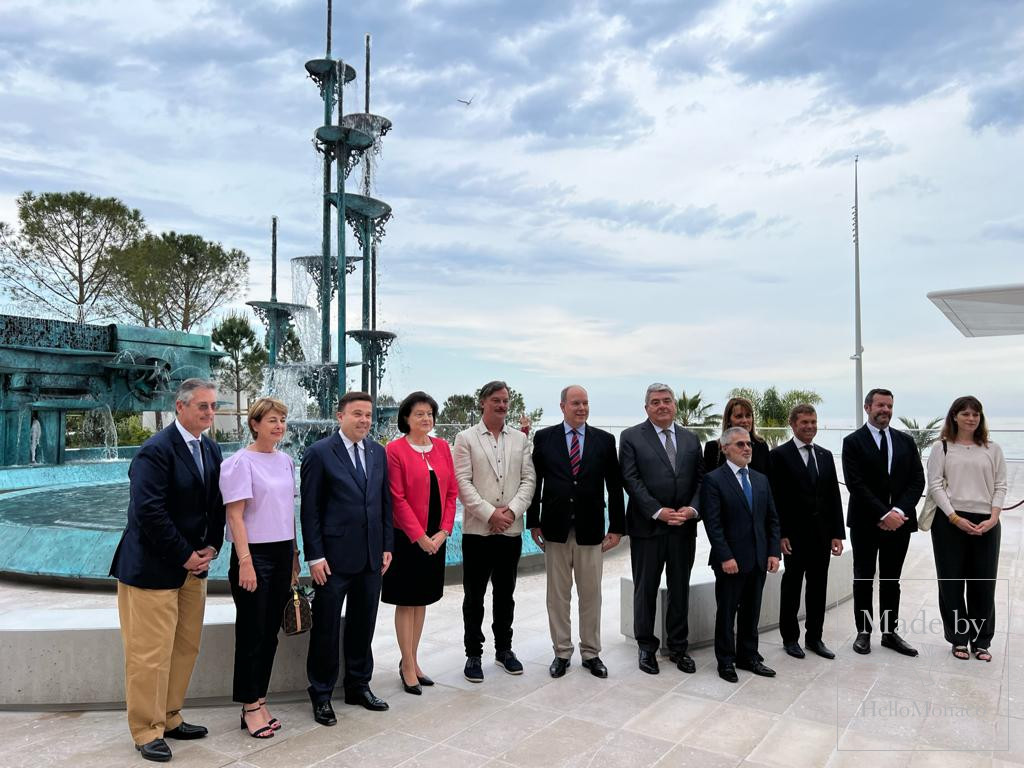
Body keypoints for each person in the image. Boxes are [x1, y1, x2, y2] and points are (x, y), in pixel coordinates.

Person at [109, 379, 225, 763]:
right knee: (149, 654)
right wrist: (184, 555)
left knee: (185, 647)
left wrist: (212, 545)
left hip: (193, 569)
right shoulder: (154, 452)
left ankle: (171, 716)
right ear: (180, 407)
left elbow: (216, 505)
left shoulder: (211, 448)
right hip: (153, 569)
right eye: (202, 407)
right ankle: (146, 730)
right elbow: (149, 512)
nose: (210, 413)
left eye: (213, 406)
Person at [300, 391, 394, 725]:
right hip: (332, 561)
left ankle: (358, 685)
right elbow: (309, 511)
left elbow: (384, 503)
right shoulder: (319, 454)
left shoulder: (378, 453)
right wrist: (315, 556)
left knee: (363, 624)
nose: (364, 420)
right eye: (357, 414)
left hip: (371, 557)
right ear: (340, 417)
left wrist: (387, 545)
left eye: (368, 415)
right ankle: (322, 693)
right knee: (325, 628)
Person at [528, 385, 625, 679]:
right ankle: (561, 652)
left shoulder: (605, 441)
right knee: (557, 596)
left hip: (590, 529)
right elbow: (535, 483)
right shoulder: (544, 438)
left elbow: (615, 486)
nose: (581, 408)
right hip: (555, 529)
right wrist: (533, 522)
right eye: (575, 403)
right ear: (562, 406)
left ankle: (591, 653)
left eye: (585, 403)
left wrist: (617, 528)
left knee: (590, 594)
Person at [219, 397, 300, 738]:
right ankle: (249, 706)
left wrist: (295, 556)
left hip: (282, 553)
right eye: (271, 420)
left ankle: (260, 699)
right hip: (254, 555)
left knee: (270, 634)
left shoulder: (286, 461)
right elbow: (234, 515)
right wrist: (246, 562)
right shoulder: (240, 462)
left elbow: (286, 512)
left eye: (282, 420)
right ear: (255, 424)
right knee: (252, 632)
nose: (278, 426)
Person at [453, 380, 536, 683]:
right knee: (474, 596)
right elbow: (463, 483)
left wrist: (511, 512)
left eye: (505, 401)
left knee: (506, 594)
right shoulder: (465, 438)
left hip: (511, 530)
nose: (502, 405)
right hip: (478, 531)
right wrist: (490, 514)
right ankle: (473, 653)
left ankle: (504, 650)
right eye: (496, 400)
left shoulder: (520, 440)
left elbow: (528, 480)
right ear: (483, 402)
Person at [620, 383, 703, 675]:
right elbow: (631, 479)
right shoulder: (630, 437)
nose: (662, 405)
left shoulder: (692, 439)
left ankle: (679, 647)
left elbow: (700, 481)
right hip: (648, 528)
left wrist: (691, 510)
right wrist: (658, 512)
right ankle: (646, 648)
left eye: (667, 400)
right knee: (646, 589)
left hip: (683, 528)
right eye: (655, 402)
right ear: (647, 408)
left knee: (680, 588)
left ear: (674, 406)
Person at [382, 391, 457, 694]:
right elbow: (396, 498)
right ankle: (407, 664)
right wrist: (419, 537)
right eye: (419, 414)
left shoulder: (441, 447)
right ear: (406, 419)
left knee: (422, 599)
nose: (426, 419)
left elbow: (451, 492)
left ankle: (413, 659)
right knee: (406, 600)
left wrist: (444, 532)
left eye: (429, 414)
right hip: (407, 538)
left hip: (435, 537)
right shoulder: (395, 450)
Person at [842, 388, 925, 657]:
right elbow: (856, 484)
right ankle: (863, 632)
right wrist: (883, 514)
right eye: (880, 405)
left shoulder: (905, 441)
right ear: (867, 408)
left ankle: (890, 633)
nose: (885, 410)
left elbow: (917, 480)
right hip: (866, 523)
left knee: (892, 580)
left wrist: (898, 511)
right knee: (863, 578)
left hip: (899, 523)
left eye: (889, 406)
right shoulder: (852, 442)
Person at [927, 395, 1007, 662]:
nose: (971, 418)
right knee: (951, 583)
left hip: (986, 522)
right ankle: (959, 639)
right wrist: (954, 518)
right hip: (950, 522)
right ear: (954, 416)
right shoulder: (942, 447)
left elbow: (1000, 485)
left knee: (983, 584)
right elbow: (935, 485)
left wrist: (993, 518)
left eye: (976, 414)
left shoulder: (992, 448)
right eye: (965, 414)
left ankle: (982, 641)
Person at [701, 427, 781, 682]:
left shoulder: (761, 479)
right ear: (725, 449)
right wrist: (725, 556)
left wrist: (773, 552)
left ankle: (749, 656)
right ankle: (725, 660)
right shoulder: (713, 480)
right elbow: (713, 524)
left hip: (758, 558)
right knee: (727, 612)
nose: (747, 448)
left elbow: (772, 519)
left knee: (752, 611)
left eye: (748, 444)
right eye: (739, 444)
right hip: (730, 561)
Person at [768, 404, 845, 660]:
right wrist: (780, 534)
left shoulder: (824, 455)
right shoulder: (779, 456)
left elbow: (833, 496)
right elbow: (775, 499)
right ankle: (790, 638)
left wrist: (837, 534)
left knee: (818, 587)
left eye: (813, 421)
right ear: (792, 424)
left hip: (822, 535)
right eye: (804, 422)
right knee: (791, 586)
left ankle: (815, 638)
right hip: (793, 536)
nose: (810, 426)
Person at [704, 396, 770, 474]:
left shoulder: (761, 446)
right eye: (739, 416)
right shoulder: (713, 448)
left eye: (748, 416)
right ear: (728, 420)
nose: (745, 420)